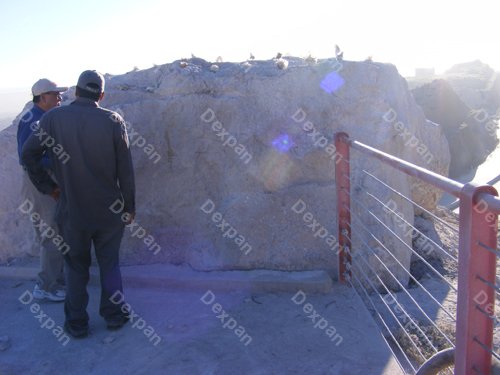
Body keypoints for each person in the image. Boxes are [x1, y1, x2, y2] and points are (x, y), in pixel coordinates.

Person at [21, 70, 136, 338]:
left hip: (72, 211)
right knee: (110, 264)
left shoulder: (53, 119)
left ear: (76, 91)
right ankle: (114, 315)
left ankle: (77, 323)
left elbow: (28, 155)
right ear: (102, 95)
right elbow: (125, 172)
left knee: (75, 267)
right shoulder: (113, 121)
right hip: (110, 211)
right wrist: (129, 207)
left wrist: (49, 188)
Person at [17, 78, 68, 302]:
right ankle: (47, 286)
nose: (60, 98)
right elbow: (28, 157)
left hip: (39, 184)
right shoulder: (33, 120)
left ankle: (53, 279)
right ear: (43, 97)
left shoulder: (42, 117)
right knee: (52, 234)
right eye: (56, 94)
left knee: (51, 233)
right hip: (41, 184)